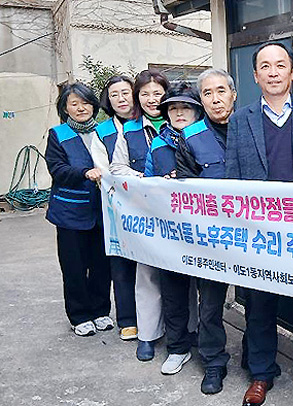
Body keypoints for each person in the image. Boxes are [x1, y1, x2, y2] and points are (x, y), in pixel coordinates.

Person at [226, 42, 293, 406]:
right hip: (258, 232)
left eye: (280, 65)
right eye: (266, 66)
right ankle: (261, 373)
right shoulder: (240, 120)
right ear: (255, 75)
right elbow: (232, 177)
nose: (273, 72)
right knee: (259, 305)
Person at [175, 68, 237, 394]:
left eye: (221, 91)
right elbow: (187, 192)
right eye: (207, 93)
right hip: (212, 237)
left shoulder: (251, 128)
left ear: (233, 95)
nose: (215, 99)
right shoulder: (191, 137)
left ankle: (257, 360)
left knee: (258, 301)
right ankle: (213, 361)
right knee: (210, 304)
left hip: (255, 235)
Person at [144, 82, 203, 376]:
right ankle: (177, 348)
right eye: (173, 108)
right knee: (173, 292)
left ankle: (208, 349)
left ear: (197, 111)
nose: (179, 113)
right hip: (171, 232)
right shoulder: (158, 144)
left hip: (208, 233)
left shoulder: (210, 138)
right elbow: (146, 183)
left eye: (186, 107)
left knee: (210, 296)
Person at [44, 82, 113, 337]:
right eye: (74, 104)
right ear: (65, 108)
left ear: (94, 106)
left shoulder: (104, 131)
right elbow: (57, 169)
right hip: (70, 213)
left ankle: (100, 310)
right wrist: (84, 172)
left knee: (101, 264)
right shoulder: (58, 134)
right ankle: (79, 315)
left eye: (85, 103)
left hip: (102, 212)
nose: (81, 108)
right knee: (74, 266)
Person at [110, 69, 169, 361]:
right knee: (146, 275)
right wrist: (145, 179)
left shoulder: (181, 121)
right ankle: (147, 335)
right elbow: (117, 167)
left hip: (180, 215)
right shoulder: (129, 130)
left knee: (185, 273)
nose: (151, 99)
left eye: (157, 93)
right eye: (145, 94)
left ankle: (189, 330)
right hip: (144, 213)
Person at [98, 75, 138, 341]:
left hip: (150, 207)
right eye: (114, 94)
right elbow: (104, 171)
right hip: (117, 206)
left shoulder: (149, 123)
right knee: (121, 264)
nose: (121, 99)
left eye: (126, 92)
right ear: (108, 100)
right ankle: (127, 319)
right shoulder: (101, 132)